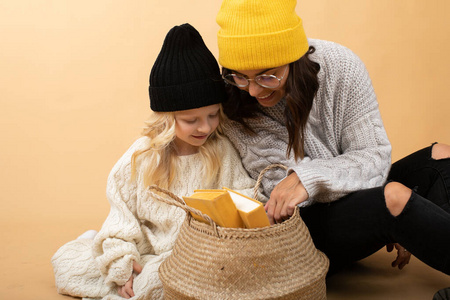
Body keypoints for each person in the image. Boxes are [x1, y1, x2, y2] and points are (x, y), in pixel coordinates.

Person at [215, 0, 450, 276]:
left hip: (350, 190)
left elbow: (374, 157)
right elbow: (286, 195)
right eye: (240, 76)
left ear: (292, 57)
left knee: (441, 156)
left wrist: (309, 176)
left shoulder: (341, 66)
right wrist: (383, 205)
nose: (253, 90)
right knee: (395, 197)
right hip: (305, 227)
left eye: (268, 76)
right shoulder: (234, 102)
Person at [51, 23, 260, 300]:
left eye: (212, 115)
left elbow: (245, 196)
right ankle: (92, 244)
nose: (205, 127)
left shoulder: (220, 151)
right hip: (147, 250)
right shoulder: (143, 156)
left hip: (200, 256)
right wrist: (122, 263)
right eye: (190, 120)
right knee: (68, 267)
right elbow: (121, 217)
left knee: (160, 283)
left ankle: (142, 278)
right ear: (166, 116)